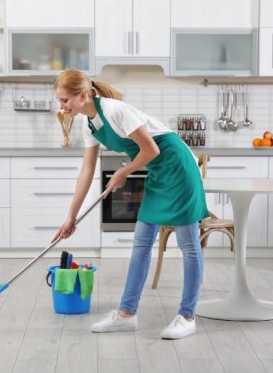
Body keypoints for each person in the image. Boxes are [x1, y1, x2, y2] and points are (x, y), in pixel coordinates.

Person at [52, 69, 208, 340]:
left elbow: (152, 149)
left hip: (178, 167)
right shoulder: (88, 123)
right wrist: (71, 217)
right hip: (159, 172)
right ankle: (127, 314)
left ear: (84, 95)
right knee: (142, 243)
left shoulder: (115, 110)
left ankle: (187, 316)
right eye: (60, 101)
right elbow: (86, 171)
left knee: (188, 246)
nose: (61, 106)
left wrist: (123, 172)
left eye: (65, 100)